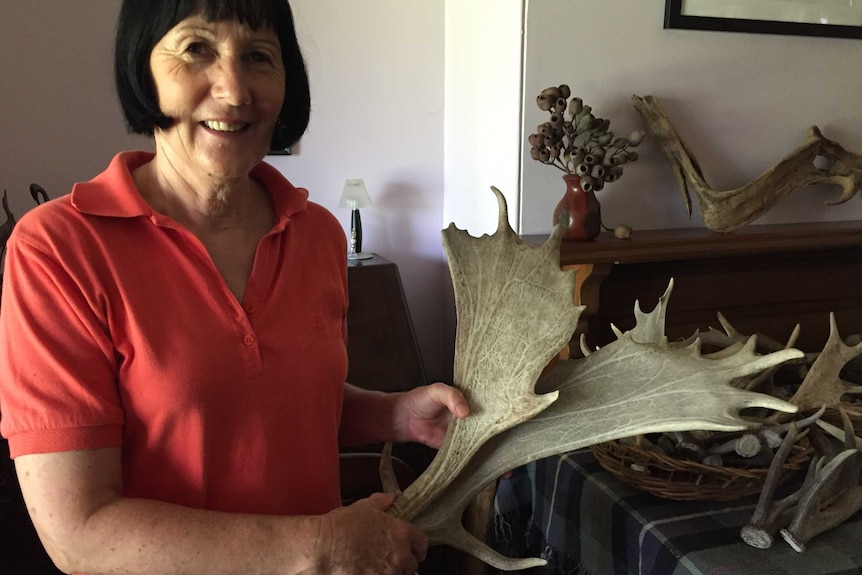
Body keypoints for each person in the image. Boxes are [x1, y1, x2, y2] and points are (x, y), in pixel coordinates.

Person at [0, 1, 469, 574]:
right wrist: (326, 547)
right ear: (141, 67)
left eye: (258, 57)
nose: (234, 88)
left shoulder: (317, 233)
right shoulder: (59, 248)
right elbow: (80, 533)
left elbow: (272, 405)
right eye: (197, 49)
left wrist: (394, 414)